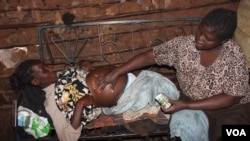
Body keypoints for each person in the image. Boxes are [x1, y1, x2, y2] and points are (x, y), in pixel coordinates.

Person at [97, 8, 250, 141]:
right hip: (193, 104)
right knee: (183, 127)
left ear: (223, 41)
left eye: (208, 38)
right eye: (199, 30)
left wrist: (187, 105)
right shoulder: (184, 46)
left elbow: (232, 97)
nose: (199, 38)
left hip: (231, 110)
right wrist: (117, 72)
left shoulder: (234, 57)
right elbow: (149, 56)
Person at [9, 59, 180, 141]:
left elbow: (84, 81)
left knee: (156, 77)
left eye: (47, 65)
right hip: (124, 97)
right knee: (158, 90)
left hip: (126, 78)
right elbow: (66, 137)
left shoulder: (61, 77)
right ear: (36, 82)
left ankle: (184, 81)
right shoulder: (52, 102)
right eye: (45, 70)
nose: (51, 69)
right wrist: (80, 105)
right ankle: (172, 107)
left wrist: (85, 70)